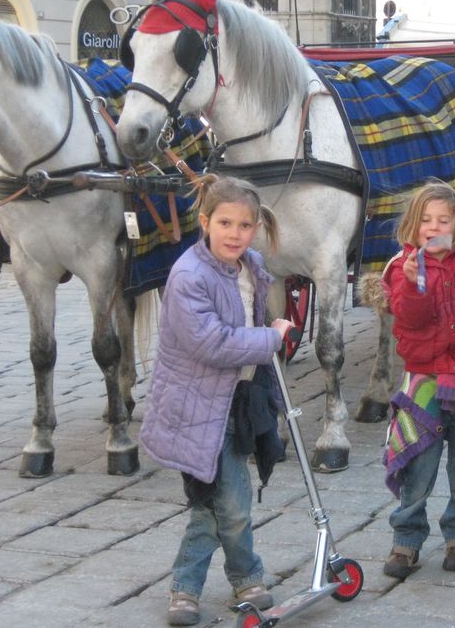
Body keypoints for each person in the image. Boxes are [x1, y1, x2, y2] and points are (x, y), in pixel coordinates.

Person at [139, 174, 295, 627]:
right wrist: (271, 338)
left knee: (217, 503)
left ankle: (220, 582)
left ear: (256, 228)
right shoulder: (189, 276)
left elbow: (251, 313)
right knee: (228, 502)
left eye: (245, 225)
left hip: (238, 403)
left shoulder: (250, 265)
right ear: (205, 222)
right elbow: (213, 343)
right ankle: (233, 578)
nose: (235, 233)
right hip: (198, 411)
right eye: (225, 223)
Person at [378, 180, 455, 579]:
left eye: (443, 220)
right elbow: (410, 317)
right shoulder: (403, 266)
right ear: (414, 227)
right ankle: (406, 541)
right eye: (426, 221)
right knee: (419, 466)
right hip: (425, 385)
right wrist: (417, 282)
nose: (435, 228)